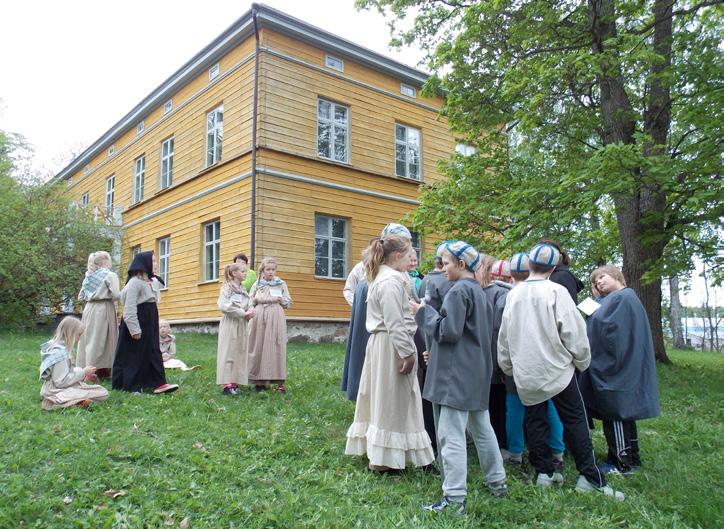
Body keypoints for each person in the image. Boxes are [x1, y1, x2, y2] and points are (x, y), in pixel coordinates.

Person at [498, 243, 623, 499]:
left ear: (530, 264)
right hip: (557, 371)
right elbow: (574, 332)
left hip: (527, 371)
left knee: (535, 419)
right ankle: (589, 477)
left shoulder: (514, 294)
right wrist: (582, 360)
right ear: (554, 267)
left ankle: (544, 472)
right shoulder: (556, 291)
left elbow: (505, 335)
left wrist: (508, 365)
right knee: (575, 420)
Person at [414, 241, 507, 515]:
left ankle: (454, 499)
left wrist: (422, 312)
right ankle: (497, 483)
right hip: (476, 372)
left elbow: (448, 331)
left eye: (446, 263)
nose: (442, 269)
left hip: (456, 376)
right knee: (482, 428)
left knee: (450, 435)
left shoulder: (458, 292)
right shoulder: (479, 291)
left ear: (461, 265)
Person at [345, 234, 434, 471]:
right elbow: (395, 322)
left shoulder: (382, 277)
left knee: (383, 398)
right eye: (408, 257)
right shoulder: (391, 281)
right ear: (397, 256)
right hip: (390, 345)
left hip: (382, 344)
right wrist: (407, 353)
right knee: (392, 400)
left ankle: (384, 454)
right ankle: (384, 459)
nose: (410, 261)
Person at [580, 265, 660, 475]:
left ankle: (620, 462)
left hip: (616, 368)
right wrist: (597, 297)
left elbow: (599, 323)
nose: (598, 283)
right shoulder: (623, 298)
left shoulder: (620, 298)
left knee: (615, 413)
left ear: (616, 275)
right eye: (595, 282)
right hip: (623, 365)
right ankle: (632, 456)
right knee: (625, 414)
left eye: (601, 277)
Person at [500, 253, 566, 470]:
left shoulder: (507, 295)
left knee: (515, 408)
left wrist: (505, 363)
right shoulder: (551, 292)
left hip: (518, 362)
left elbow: (501, 335)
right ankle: (557, 451)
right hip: (546, 361)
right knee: (550, 406)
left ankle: (516, 453)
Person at [341, 224, 413, 400]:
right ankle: (362, 391)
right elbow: (350, 289)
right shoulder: (370, 270)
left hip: (381, 317)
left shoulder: (398, 273)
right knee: (365, 353)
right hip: (374, 319)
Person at [112, 251, 178, 394]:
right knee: (135, 354)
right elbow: (129, 309)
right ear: (144, 264)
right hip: (138, 320)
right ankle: (131, 385)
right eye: (153, 261)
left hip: (150, 320)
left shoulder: (153, 281)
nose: (156, 264)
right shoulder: (135, 283)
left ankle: (158, 382)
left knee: (153, 351)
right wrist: (134, 329)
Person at [476, 254, 510, 452]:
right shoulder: (497, 294)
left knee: (492, 402)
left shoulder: (488, 293)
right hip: (494, 357)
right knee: (498, 403)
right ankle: (500, 442)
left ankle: (495, 442)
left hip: (485, 357)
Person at [40, 316, 109, 410]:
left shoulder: (59, 348)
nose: (79, 339)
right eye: (79, 335)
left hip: (57, 388)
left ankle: (76, 401)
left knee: (100, 391)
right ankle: (55, 401)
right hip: (55, 390)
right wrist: (83, 372)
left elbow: (65, 373)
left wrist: (85, 375)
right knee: (102, 393)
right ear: (71, 333)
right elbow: (61, 382)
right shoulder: (60, 353)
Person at [248, 257, 292, 393]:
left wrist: (282, 300)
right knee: (258, 345)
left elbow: (288, 301)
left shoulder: (281, 283)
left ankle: (279, 382)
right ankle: (259, 381)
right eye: (268, 269)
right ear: (263, 270)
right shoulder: (257, 284)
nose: (271, 272)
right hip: (259, 317)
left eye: (273, 269)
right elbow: (250, 300)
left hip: (275, 316)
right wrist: (254, 303)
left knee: (275, 346)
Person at [75, 251, 120, 379]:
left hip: (89, 308)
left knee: (89, 337)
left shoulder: (89, 276)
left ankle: (86, 368)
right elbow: (116, 295)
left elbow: (81, 296)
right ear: (107, 261)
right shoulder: (110, 275)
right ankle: (100, 370)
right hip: (103, 307)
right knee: (101, 339)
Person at [342, 223, 411, 306]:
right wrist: (360, 305)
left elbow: (407, 297)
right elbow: (349, 290)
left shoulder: (402, 271)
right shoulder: (363, 267)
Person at [217, 263, 254, 395]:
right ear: (233, 274)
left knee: (239, 350)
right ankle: (226, 383)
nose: (245, 273)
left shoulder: (243, 289)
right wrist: (242, 313)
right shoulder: (227, 288)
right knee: (229, 350)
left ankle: (235, 381)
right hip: (231, 322)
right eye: (242, 271)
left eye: (245, 271)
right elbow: (224, 306)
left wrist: (250, 310)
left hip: (242, 323)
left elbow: (250, 303)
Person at [537, 239, 584, 303]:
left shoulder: (562, 276)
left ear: (559, 256)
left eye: (548, 253)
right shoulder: (541, 278)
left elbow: (569, 307)